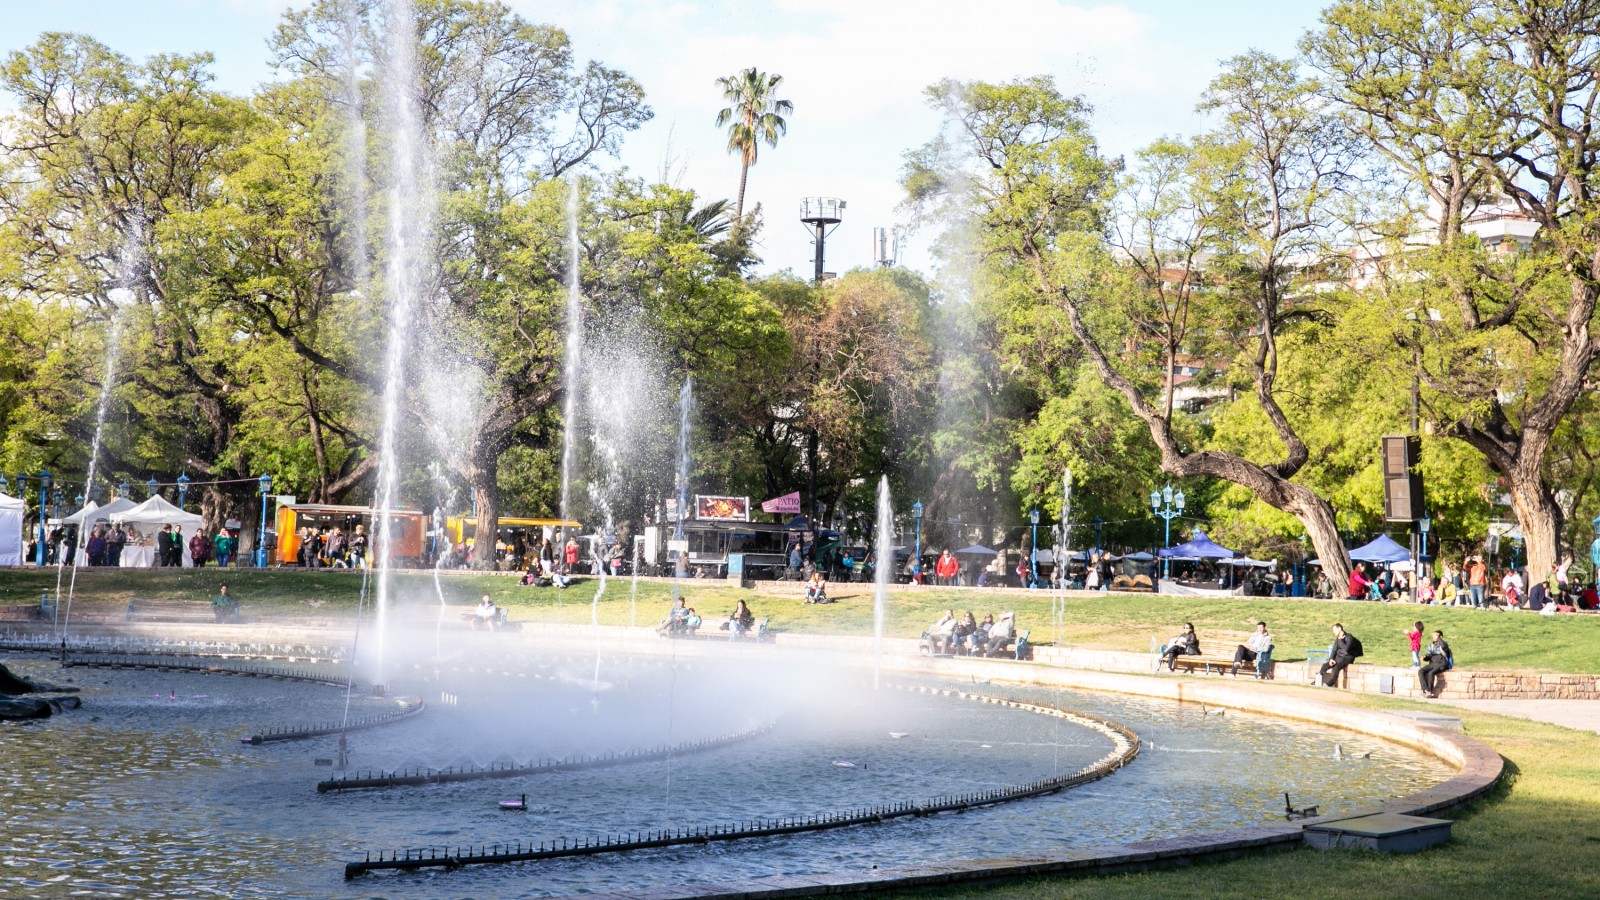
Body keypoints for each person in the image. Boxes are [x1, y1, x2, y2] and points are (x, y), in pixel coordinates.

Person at [1319, 623, 1362, 688]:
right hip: (1339, 657)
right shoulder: (1338, 638)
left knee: (1336, 667)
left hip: (1347, 657)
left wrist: (1341, 640)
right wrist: (1331, 658)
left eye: (1334, 629)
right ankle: (1318, 680)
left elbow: (1346, 649)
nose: (1333, 632)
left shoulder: (1349, 637)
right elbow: (1334, 649)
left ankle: (1330, 684)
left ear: (1339, 629)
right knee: (1325, 665)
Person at [1418, 630, 1453, 698]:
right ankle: (1426, 690)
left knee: (1431, 672)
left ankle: (1430, 691)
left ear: (1441, 637)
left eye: (1436, 635)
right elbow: (1429, 656)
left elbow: (1443, 646)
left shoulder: (1444, 644)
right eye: (1434, 635)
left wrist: (1439, 638)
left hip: (1441, 664)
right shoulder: (1431, 645)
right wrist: (1425, 657)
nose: (1434, 637)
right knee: (1421, 671)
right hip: (1433, 663)